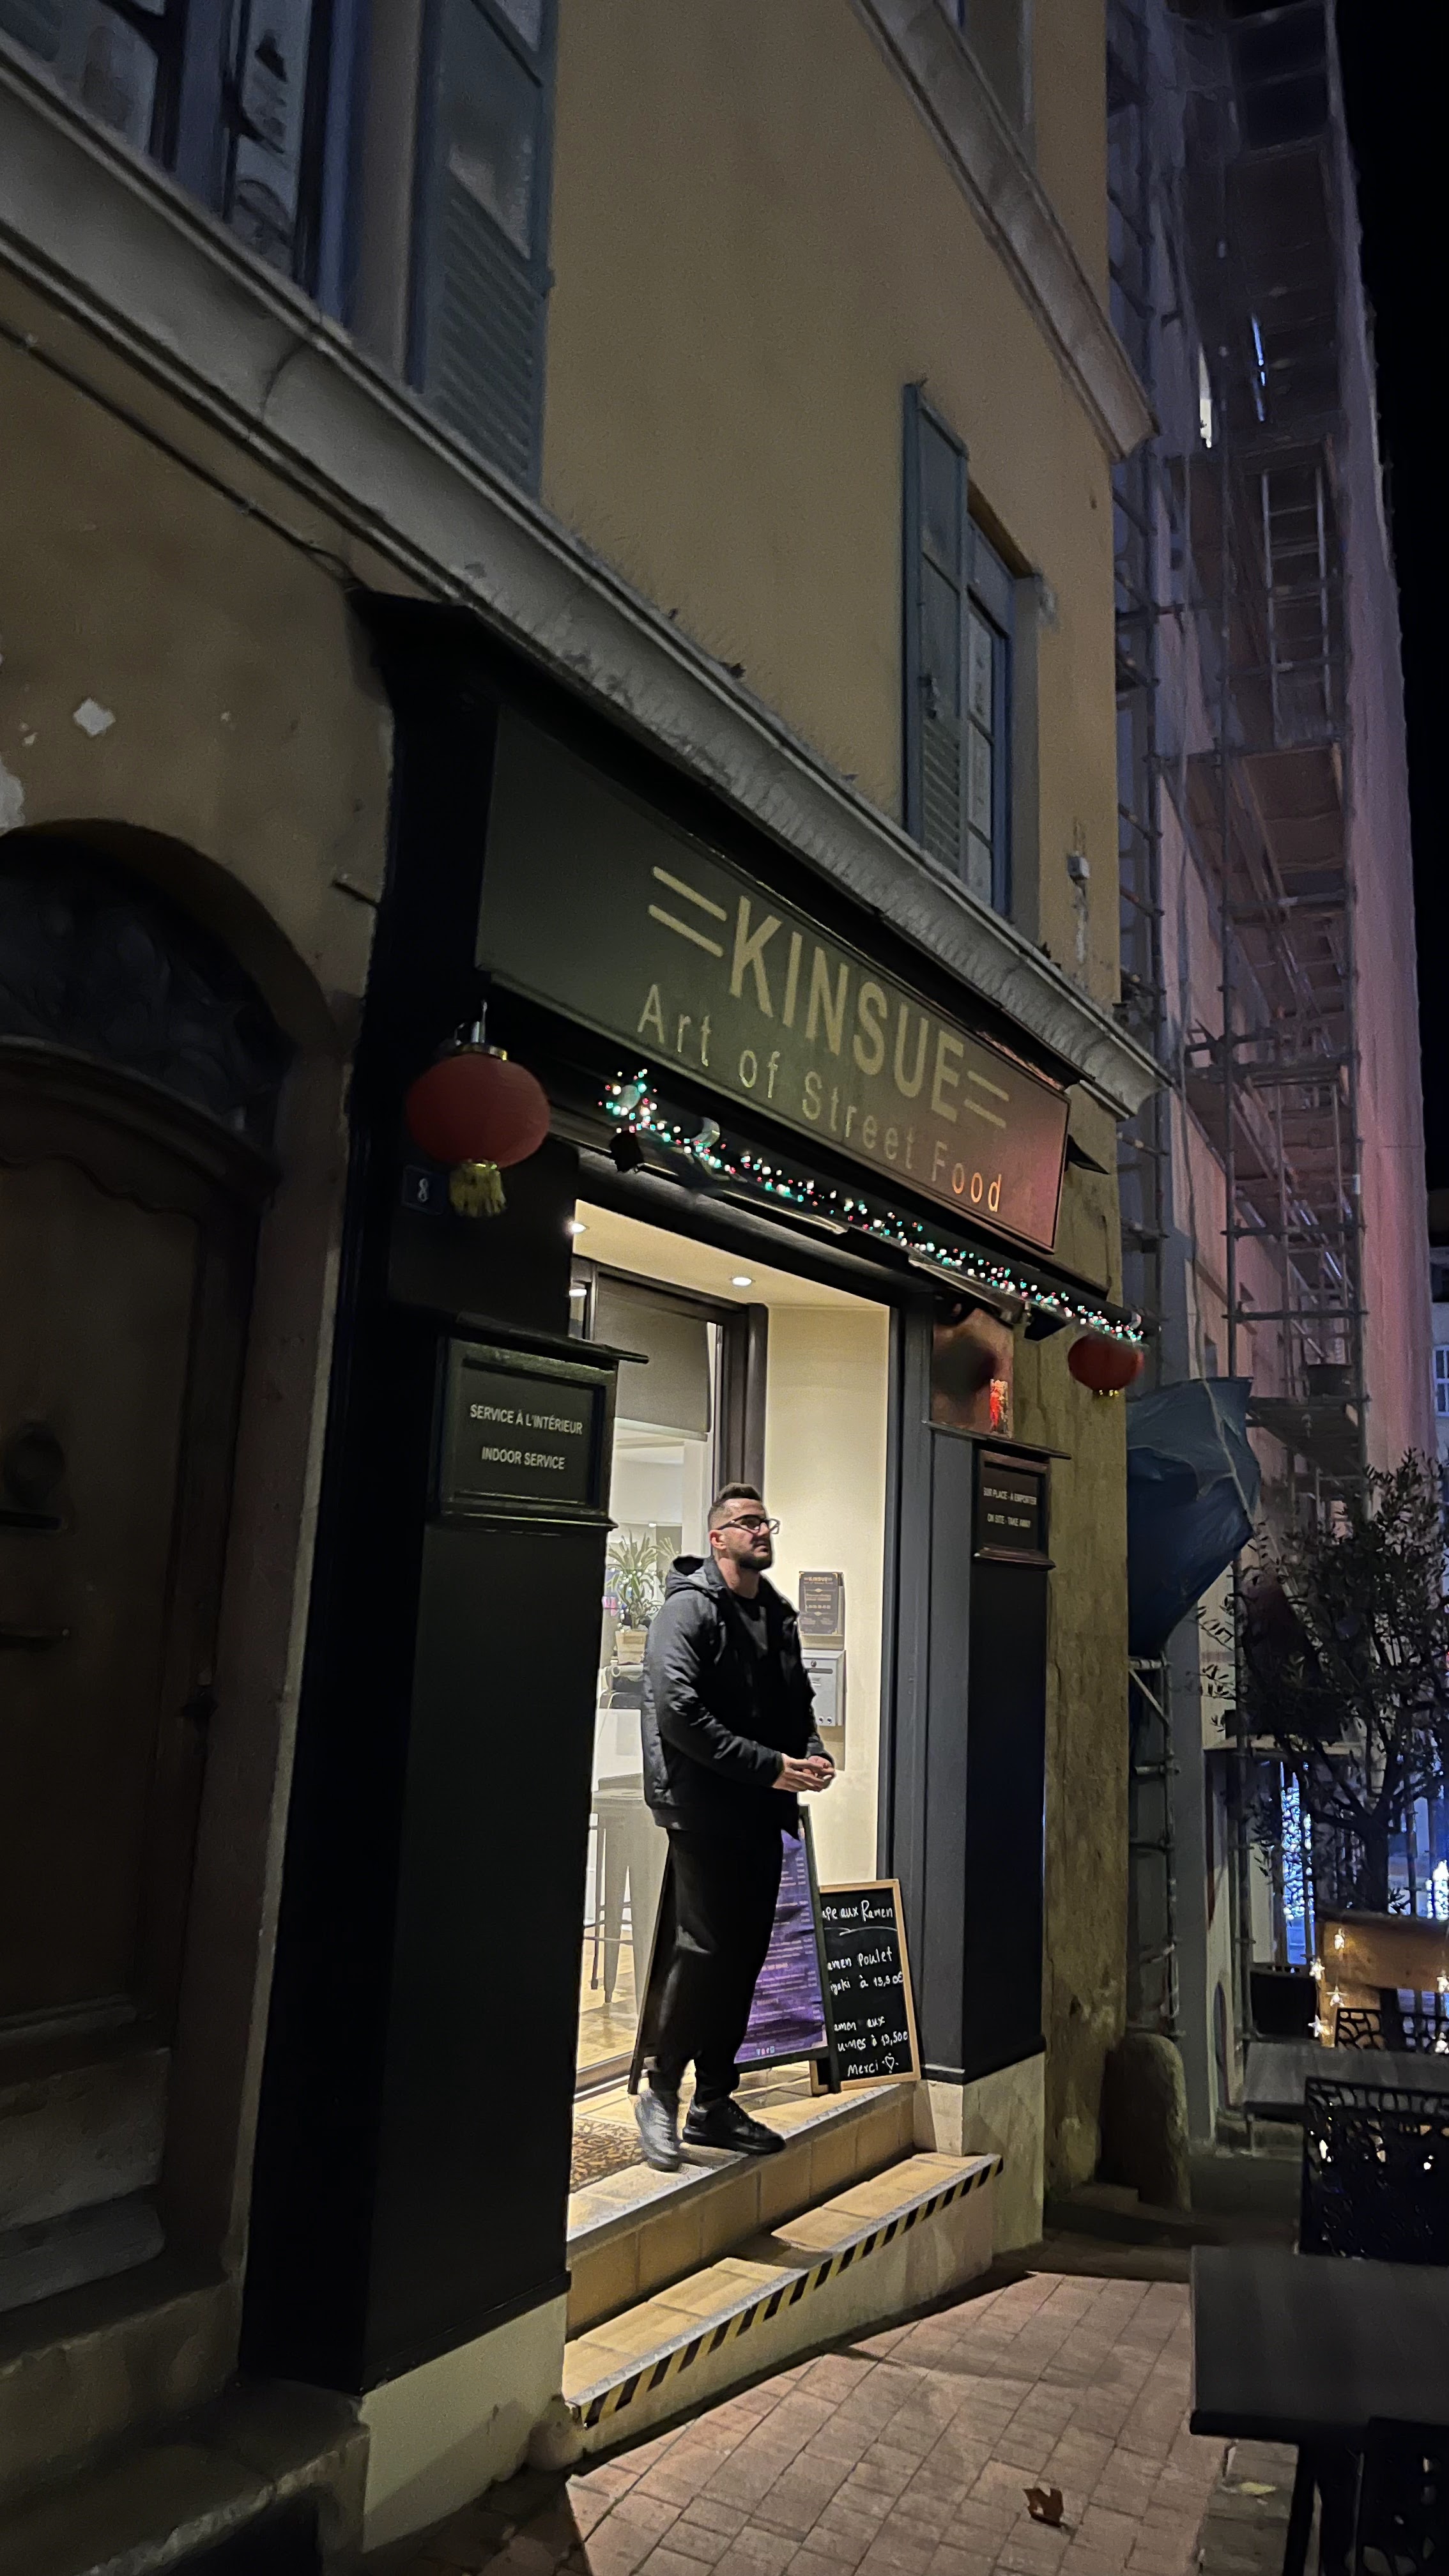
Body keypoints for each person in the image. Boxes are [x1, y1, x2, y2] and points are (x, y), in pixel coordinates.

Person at [634, 1482, 834, 2170]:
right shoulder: (687, 1611)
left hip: (760, 1804)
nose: (761, 1531)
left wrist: (811, 1753)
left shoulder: (774, 1613)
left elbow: (796, 1701)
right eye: (747, 1523)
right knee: (706, 1949)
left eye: (766, 1521)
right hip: (702, 1806)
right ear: (717, 1537)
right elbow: (679, 1714)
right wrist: (769, 1766)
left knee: (746, 1953)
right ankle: (661, 2091)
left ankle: (713, 2101)